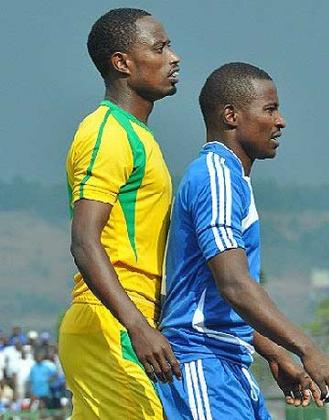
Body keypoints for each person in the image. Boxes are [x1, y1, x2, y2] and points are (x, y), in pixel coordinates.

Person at [157, 62, 329, 419]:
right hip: (202, 360)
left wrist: (277, 354)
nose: (281, 122)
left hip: (229, 364)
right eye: (270, 109)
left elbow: (224, 294)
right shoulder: (216, 178)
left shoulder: (233, 180)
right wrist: (309, 350)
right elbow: (234, 284)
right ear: (231, 115)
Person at [58, 7, 181, 419]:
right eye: (160, 48)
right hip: (112, 323)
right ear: (123, 63)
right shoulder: (106, 133)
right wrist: (138, 326)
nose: (174, 57)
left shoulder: (137, 135)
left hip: (128, 321)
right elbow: (84, 240)